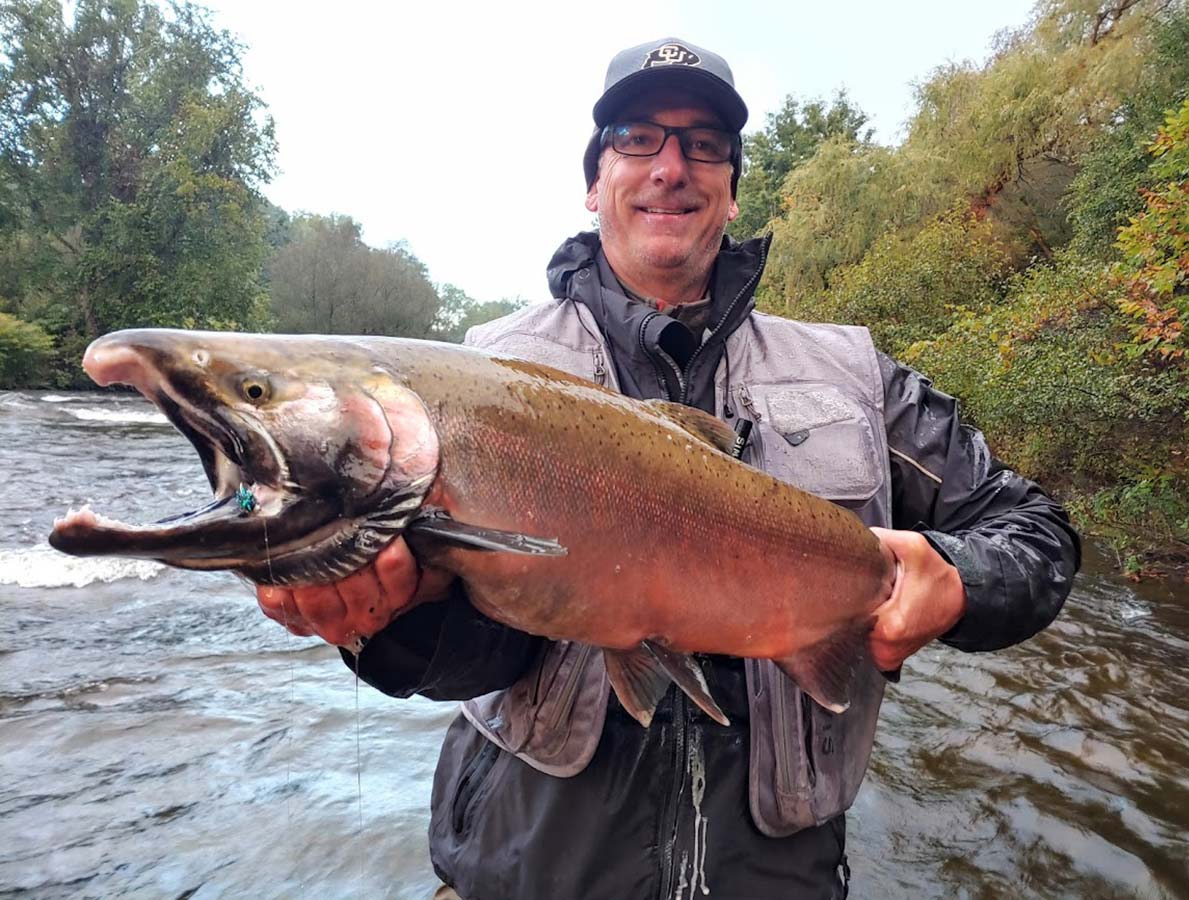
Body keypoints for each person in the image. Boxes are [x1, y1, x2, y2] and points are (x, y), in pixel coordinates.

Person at [257, 38, 1079, 900]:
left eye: (704, 144)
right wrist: (386, 621)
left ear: (731, 187)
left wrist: (958, 578)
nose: (671, 167)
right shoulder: (475, 382)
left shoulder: (858, 379)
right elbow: (476, 657)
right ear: (594, 178)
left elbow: (1037, 535)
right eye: (637, 137)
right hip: (527, 871)